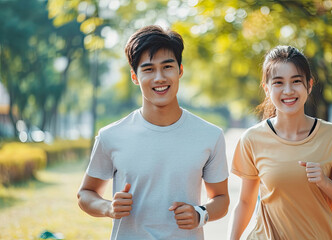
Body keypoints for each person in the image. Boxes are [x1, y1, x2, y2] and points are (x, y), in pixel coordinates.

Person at [77, 25, 229, 240]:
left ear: (180, 70)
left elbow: (221, 198)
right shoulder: (111, 135)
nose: (159, 77)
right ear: (134, 77)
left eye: (167, 66)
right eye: (148, 69)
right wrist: (108, 207)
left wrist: (200, 213)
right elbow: (85, 194)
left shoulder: (209, 135)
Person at [229, 45, 332, 240]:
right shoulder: (252, 139)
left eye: (296, 81)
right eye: (278, 83)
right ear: (266, 89)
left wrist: (325, 183)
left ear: (309, 85)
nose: (288, 91)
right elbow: (246, 202)